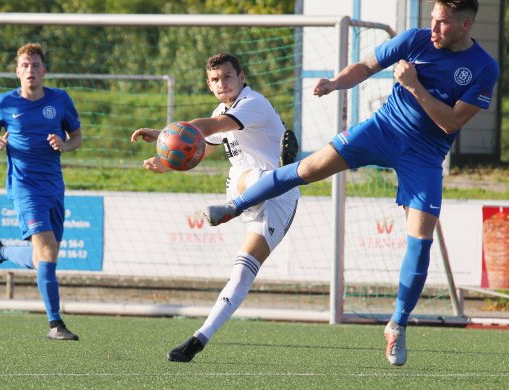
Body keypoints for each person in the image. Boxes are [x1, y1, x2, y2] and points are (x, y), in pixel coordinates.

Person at [204, 0, 499, 366]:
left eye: (442, 24)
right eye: (433, 20)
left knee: (420, 239)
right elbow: (366, 65)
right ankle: (234, 207)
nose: (434, 29)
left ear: (465, 24)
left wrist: (415, 86)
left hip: (423, 156)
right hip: (380, 130)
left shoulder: (484, 68)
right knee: (308, 169)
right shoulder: (415, 40)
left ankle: (397, 326)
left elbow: (451, 123)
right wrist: (335, 84)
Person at [131, 53, 300, 362]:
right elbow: (201, 147)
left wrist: (164, 133)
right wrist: (167, 161)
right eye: (215, 80)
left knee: (242, 272)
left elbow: (208, 127)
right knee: (249, 177)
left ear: (242, 77)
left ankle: (198, 340)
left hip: (281, 200)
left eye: (227, 77)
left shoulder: (253, 103)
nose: (222, 83)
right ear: (208, 85)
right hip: (243, 184)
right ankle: (263, 185)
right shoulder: (221, 109)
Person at [0, 43, 83, 341]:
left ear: (44, 70)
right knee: (47, 251)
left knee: (43, 259)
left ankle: (2, 252)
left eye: (35, 65)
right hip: (24, 187)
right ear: (17, 71)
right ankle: (55, 324)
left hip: (54, 186)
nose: (30, 71)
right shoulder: (4, 103)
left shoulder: (60, 100)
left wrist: (65, 144)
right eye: (24, 65)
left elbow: (76, 136)